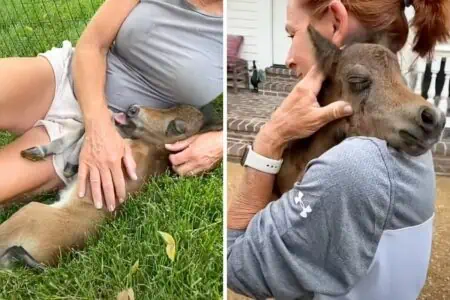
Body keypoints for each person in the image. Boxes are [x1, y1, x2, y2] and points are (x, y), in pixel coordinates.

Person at [227, 0, 450, 299]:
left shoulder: (355, 165)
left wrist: (269, 139)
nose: (288, 58)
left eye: (292, 35)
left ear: (335, 23)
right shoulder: (395, 143)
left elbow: (235, 263)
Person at [0, 0, 223, 212]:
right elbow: (92, 45)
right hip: (68, 78)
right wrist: (98, 127)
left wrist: (220, 141)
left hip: (97, 136)